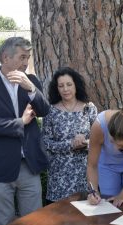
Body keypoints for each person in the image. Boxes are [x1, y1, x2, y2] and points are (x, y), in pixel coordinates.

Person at [0, 37, 50, 225]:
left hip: (28, 165)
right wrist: (20, 122)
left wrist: (31, 88)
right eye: (22, 57)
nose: (26, 62)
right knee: (4, 220)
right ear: (5, 58)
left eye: (28, 57)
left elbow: (44, 110)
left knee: (33, 220)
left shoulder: (31, 81)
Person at [42, 67, 98, 203]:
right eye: (61, 86)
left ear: (76, 85)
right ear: (57, 88)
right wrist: (70, 144)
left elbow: (98, 141)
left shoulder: (89, 108)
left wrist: (85, 143)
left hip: (84, 173)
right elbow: (46, 143)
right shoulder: (50, 111)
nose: (65, 89)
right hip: (59, 175)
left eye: (69, 84)